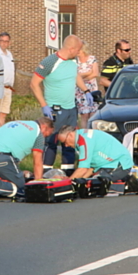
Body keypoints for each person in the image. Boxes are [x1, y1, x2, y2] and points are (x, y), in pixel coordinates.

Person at [30, 35, 94, 175]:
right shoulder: (50, 62)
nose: (79, 52)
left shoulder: (72, 61)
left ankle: (69, 174)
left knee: (70, 141)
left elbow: (74, 75)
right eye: (77, 50)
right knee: (52, 142)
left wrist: (86, 91)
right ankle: (46, 173)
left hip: (71, 109)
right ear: (71, 49)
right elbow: (34, 83)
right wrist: (44, 105)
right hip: (55, 109)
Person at [0, 117, 55, 200]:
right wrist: (38, 185)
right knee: (20, 188)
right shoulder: (38, 134)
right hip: (1, 157)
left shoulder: (16, 122)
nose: (45, 138)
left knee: (1, 177)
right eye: (47, 135)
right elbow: (37, 162)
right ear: (44, 127)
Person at [57, 125, 138, 195]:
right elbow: (89, 168)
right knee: (90, 183)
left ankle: (128, 186)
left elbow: (82, 169)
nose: (66, 146)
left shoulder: (83, 140)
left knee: (99, 185)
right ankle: (123, 178)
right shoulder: (80, 137)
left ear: (70, 135)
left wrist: (67, 183)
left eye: (64, 142)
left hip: (119, 163)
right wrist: (80, 181)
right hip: (107, 164)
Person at [75, 41, 99, 129]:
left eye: (79, 50)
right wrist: (88, 73)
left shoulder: (92, 59)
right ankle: (84, 135)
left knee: (93, 113)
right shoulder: (75, 61)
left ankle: (92, 134)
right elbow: (74, 75)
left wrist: (81, 77)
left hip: (92, 89)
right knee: (84, 114)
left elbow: (95, 73)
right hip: (80, 90)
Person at [0, 32, 15, 127]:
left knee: (4, 113)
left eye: (6, 41)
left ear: (9, 42)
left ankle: (1, 133)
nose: (4, 43)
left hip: (8, 88)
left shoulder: (9, 54)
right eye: (2, 41)